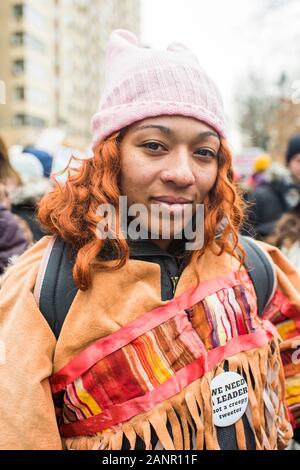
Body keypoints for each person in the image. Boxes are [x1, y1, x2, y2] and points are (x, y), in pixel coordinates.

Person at [0, 29, 299, 450]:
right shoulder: (40, 290)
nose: (183, 172)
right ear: (110, 156)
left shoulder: (252, 265)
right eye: (155, 145)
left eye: (203, 152)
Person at [245, 135, 300, 239]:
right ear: (288, 163)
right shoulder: (261, 195)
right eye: (299, 161)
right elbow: (245, 236)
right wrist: (281, 229)